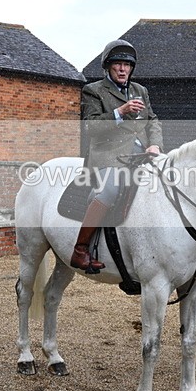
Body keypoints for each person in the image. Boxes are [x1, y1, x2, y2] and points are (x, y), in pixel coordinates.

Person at [70, 39, 163, 273]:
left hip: (142, 155)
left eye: (127, 65)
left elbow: (152, 120)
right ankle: (80, 250)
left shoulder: (140, 90)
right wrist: (119, 112)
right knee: (111, 189)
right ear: (108, 66)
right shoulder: (93, 91)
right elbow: (90, 127)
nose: (123, 69)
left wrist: (155, 145)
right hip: (108, 157)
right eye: (118, 64)